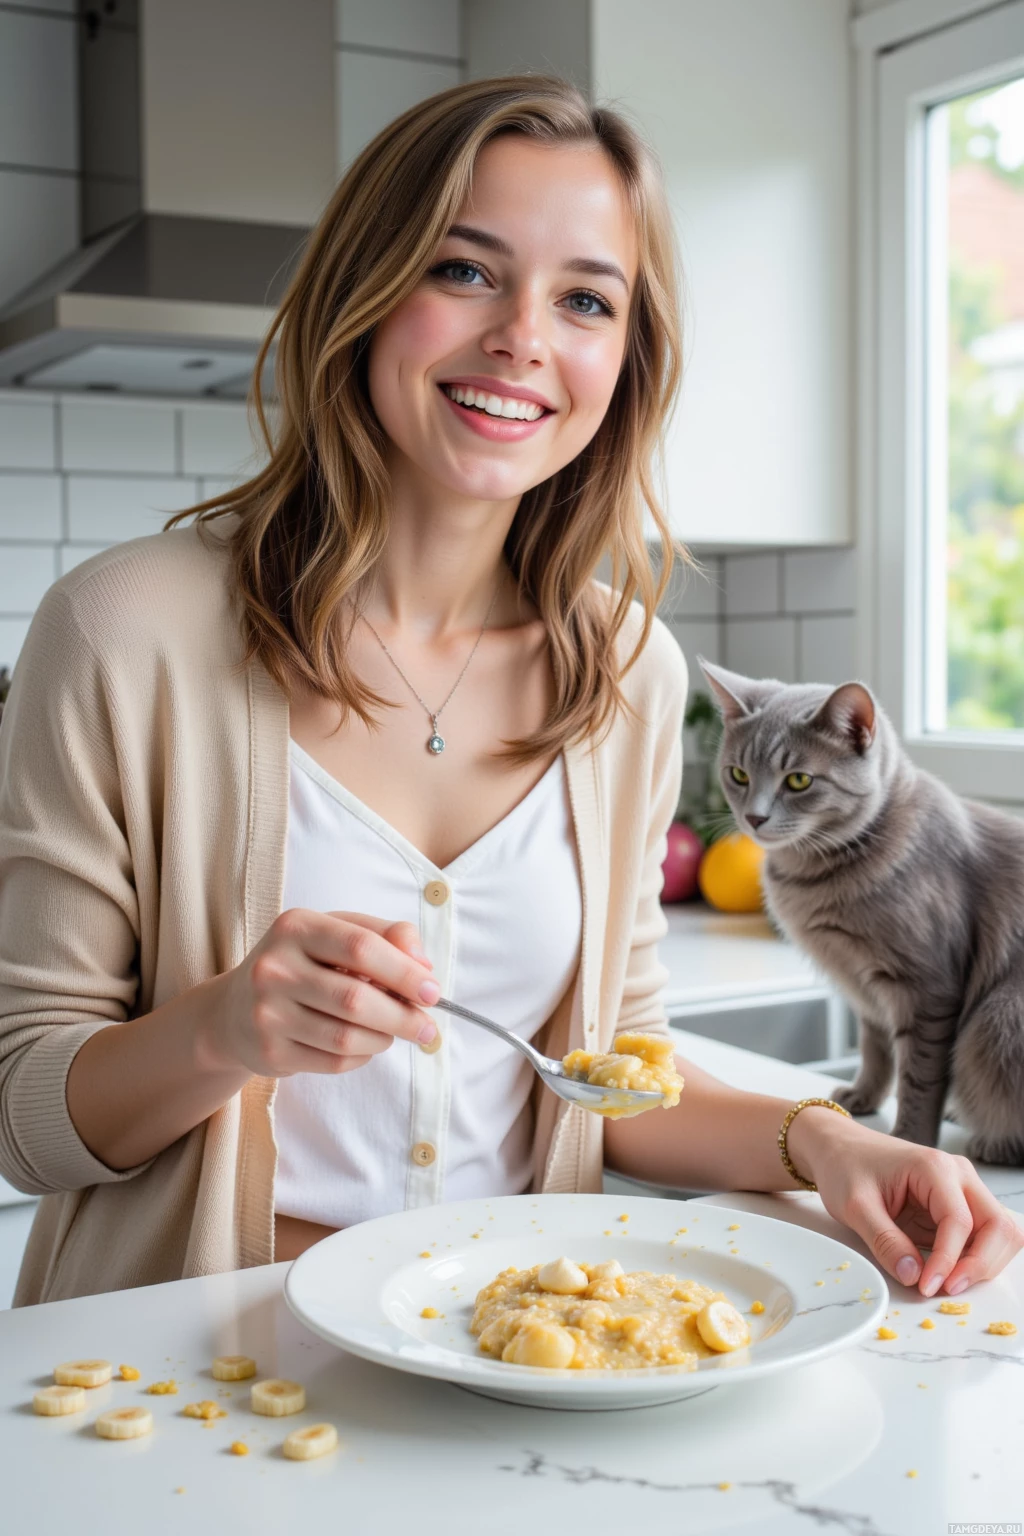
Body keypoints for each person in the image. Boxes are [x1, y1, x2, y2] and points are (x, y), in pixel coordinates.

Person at [0, 77, 1018, 1306]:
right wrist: (221, 1031)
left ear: (623, 359)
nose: (524, 337)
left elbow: (610, 1076)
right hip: (184, 1385)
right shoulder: (122, 633)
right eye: (466, 271)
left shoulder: (628, 673)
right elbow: (23, 1116)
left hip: (509, 1365)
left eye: (585, 298)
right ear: (364, 293)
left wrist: (828, 1140)